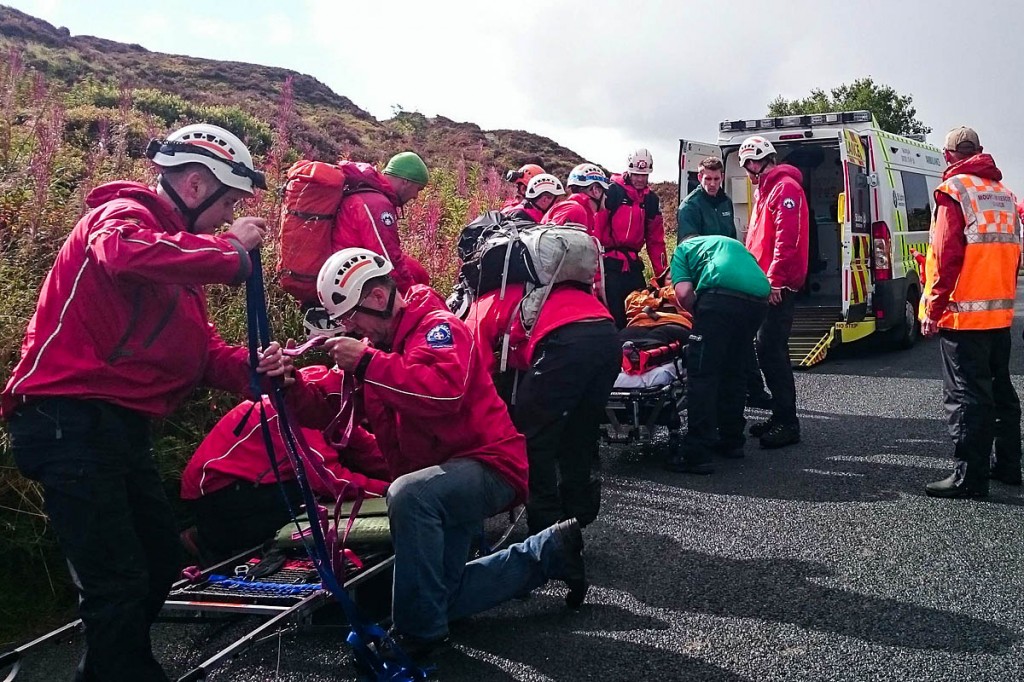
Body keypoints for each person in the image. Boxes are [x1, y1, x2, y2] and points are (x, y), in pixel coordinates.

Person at [0, 123, 288, 682]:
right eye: (228, 204)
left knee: (157, 562)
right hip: (68, 419)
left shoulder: (180, 262)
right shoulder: (125, 215)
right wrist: (229, 253)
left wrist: (257, 370)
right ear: (198, 185)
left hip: (114, 430)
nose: (228, 218)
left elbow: (201, 355)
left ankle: (122, 670)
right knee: (118, 582)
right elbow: (121, 253)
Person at [290, 248, 587, 660]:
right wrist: (289, 387)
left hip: (490, 466)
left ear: (378, 297)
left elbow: (442, 393)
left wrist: (368, 363)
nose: (349, 327)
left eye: (351, 316)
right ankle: (549, 553)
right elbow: (333, 410)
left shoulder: (439, 328)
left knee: (409, 496)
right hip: (442, 477)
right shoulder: (378, 347)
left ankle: (416, 639)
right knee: (439, 596)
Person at [180, 365, 391, 562]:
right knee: (312, 503)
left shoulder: (333, 400)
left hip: (250, 478)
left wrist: (405, 471)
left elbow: (366, 449)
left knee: (329, 485)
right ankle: (210, 539)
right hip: (218, 487)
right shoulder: (303, 408)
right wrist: (387, 490)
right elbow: (327, 478)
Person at [466, 269, 619, 535]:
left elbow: (478, 374)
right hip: (606, 334)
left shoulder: (482, 306)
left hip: (564, 342)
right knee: (579, 430)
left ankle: (548, 532)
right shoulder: (549, 286)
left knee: (533, 439)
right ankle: (577, 512)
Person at [920, 126, 1022, 498]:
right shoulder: (1005, 195)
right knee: (1001, 393)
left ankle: (969, 478)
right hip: (999, 313)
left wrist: (934, 305)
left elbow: (949, 254)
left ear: (949, 156)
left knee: (967, 398)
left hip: (964, 317)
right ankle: (1009, 465)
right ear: (980, 151)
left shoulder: (953, 193)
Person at [664, 235, 769, 474]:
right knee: (734, 370)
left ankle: (697, 453)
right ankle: (732, 441)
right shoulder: (731, 245)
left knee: (703, 373)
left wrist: (699, 316)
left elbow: (683, 293)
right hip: (758, 300)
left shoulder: (683, 249)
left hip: (720, 299)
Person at [739, 135, 809, 449]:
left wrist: (776, 280)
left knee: (772, 350)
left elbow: (787, 239)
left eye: (756, 162)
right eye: (747, 165)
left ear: (769, 160)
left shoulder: (785, 188)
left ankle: (788, 422)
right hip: (762, 282)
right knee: (766, 349)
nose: (752, 169)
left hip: (775, 285)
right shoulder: (764, 190)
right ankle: (781, 415)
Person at [333, 151, 431, 293]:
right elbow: (388, 259)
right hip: (349, 279)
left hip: (343, 267)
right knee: (416, 277)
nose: (415, 196)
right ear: (406, 182)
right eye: (418, 189)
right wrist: (413, 293)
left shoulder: (366, 193)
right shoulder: (377, 204)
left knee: (414, 269)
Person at [603, 148, 668, 329]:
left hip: (632, 264)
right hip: (609, 264)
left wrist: (662, 276)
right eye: (636, 174)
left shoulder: (650, 201)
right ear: (629, 171)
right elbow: (599, 227)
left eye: (644, 175)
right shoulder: (612, 192)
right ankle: (619, 348)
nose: (640, 179)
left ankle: (651, 340)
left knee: (645, 307)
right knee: (616, 314)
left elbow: (656, 241)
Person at [676, 156, 736, 240]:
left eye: (716, 179)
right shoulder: (689, 206)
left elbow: (732, 236)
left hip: (726, 252)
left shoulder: (726, 202)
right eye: (708, 179)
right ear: (700, 178)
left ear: (722, 177)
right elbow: (688, 244)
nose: (712, 183)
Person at [543, 162, 609, 232]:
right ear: (596, 190)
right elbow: (553, 240)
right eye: (604, 191)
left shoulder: (582, 211)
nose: (605, 196)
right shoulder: (575, 210)